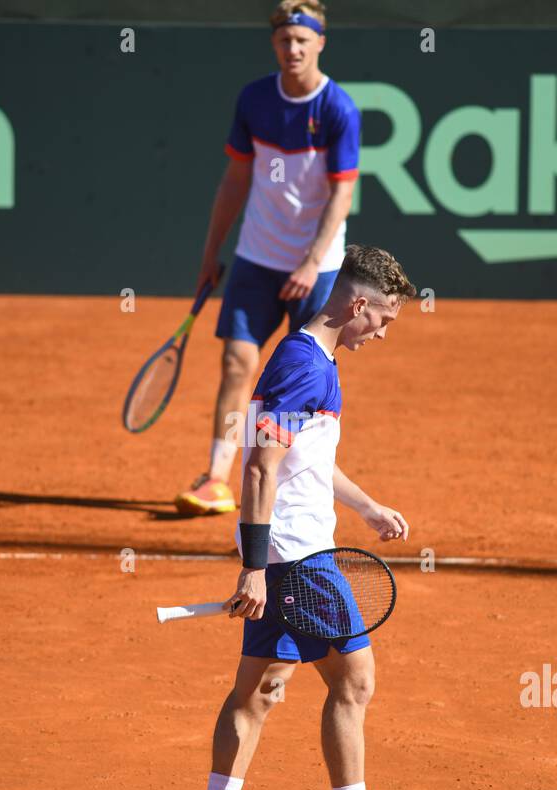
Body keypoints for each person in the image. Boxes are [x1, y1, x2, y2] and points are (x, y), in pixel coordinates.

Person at [187, 244, 416, 790]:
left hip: (288, 548)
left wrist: (365, 506)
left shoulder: (311, 359)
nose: (384, 333)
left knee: (258, 690)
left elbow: (306, 460)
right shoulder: (303, 366)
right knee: (356, 681)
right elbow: (261, 468)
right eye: (385, 320)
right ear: (359, 304)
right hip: (295, 553)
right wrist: (256, 569)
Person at [176, 0, 360, 516]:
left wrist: (310, 261)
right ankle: (216, 478)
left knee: (303, 380)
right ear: (274, 44)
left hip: (317, 267)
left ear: (320, 42)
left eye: (303, 39)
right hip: (256, 258)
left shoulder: (338, 109)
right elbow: (235, 179)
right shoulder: (255, 100)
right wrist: (211, 252)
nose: (293, 48)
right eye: (285, 40)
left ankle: (293, 485)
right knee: (238, 362)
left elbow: (341, 194)